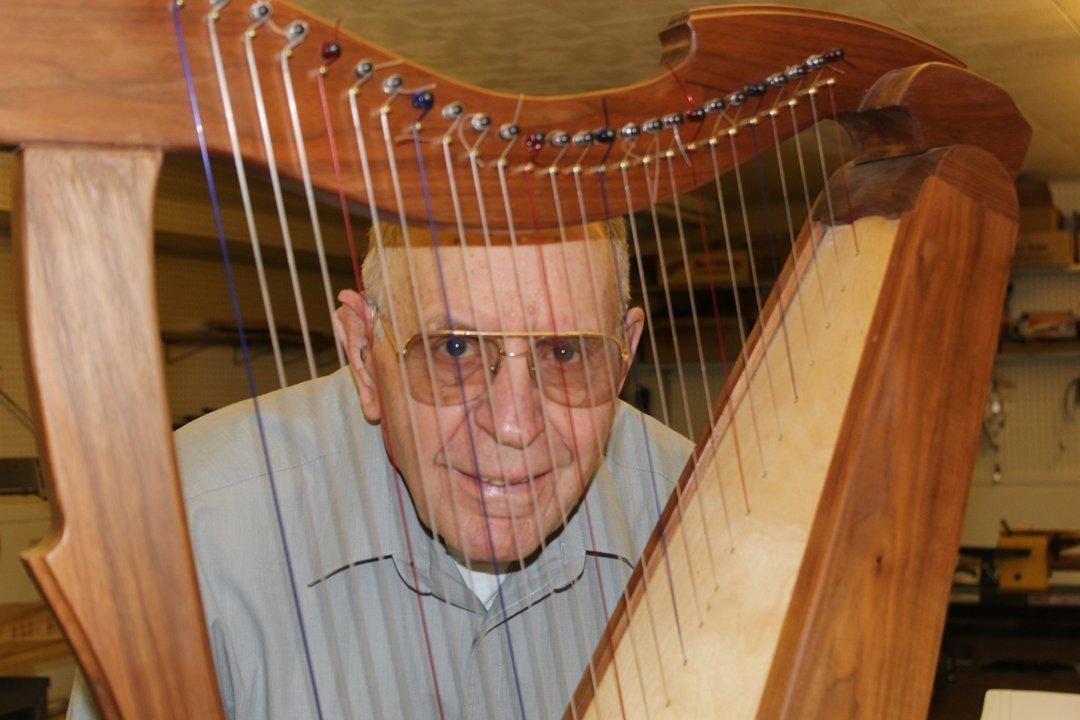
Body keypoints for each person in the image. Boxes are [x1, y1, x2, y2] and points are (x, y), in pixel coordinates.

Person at [67, 219, 691, 719]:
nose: (513, 426)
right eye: (455, 349)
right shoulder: (190, 524)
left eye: (564, 352)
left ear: (623, 356)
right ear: (365, 356)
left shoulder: (697, 509)